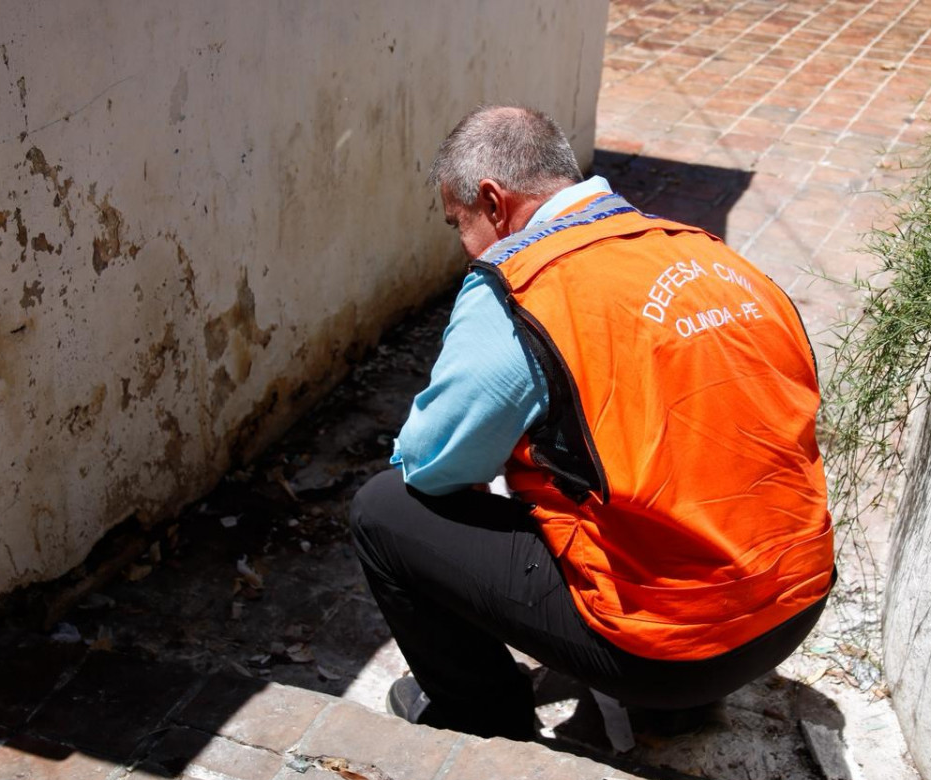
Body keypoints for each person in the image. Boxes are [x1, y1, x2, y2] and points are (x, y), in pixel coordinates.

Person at [350, 106, 834, 741]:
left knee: (385, 509)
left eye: (457, 224)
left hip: (668, 650)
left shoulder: (522, 286)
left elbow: (433, 464)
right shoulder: (714, 257)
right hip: (794, 606)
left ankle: (483, 721)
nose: (463, 246)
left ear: (493, 202)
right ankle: (678, 709)